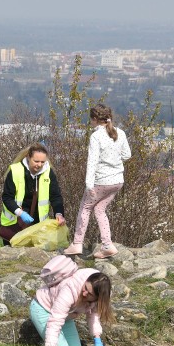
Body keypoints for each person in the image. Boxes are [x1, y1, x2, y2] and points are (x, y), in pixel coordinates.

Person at [64, 104, 131, 259]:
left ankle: (77, 243)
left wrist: (89, 184)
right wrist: (113, 160)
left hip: (101, 180)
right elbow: (127, 155)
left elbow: (92, 161)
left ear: (94, 119)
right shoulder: (120, 133)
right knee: (100, 209)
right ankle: (107, 245)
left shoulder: (96, 136)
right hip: (117, 180)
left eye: (91, 120)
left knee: (85, 208)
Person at [30, 262, 114, 346]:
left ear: (98, 298)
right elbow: (55, 320)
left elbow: (93, 314)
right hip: (43, 309)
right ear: (86, 281)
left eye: (90, 294)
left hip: (66, 316)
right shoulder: (69, 290)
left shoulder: (101, 291)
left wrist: (97, 338)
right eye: (85, 288)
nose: (84, 293)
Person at [0, 143, 66, 246]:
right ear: (28, 157)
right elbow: (7, 197)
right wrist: (20, 213)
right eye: (36, 161)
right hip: (15, 222)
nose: (39, 165)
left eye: (42, 162)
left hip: (38, 223)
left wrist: (59, 214)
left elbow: (55, 196)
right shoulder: (15, 171)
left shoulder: (48, 172)